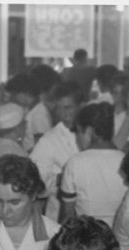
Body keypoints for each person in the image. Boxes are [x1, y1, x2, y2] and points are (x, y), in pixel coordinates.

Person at [58, 102, 126, 227]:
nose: (77, 139)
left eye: (78, 132)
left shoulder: (75, 162)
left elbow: (68, 215)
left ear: (89, 131)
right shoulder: (126, 159)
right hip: (121, 236)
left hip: (88, 238)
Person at [29, 80, 84, 221]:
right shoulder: (48, 141)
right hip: (60, 216)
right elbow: (36, 184)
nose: (63, 114)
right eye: (58, 108)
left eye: (68, 108)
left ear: (81, 106)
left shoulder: (94, 134)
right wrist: (63, 178)